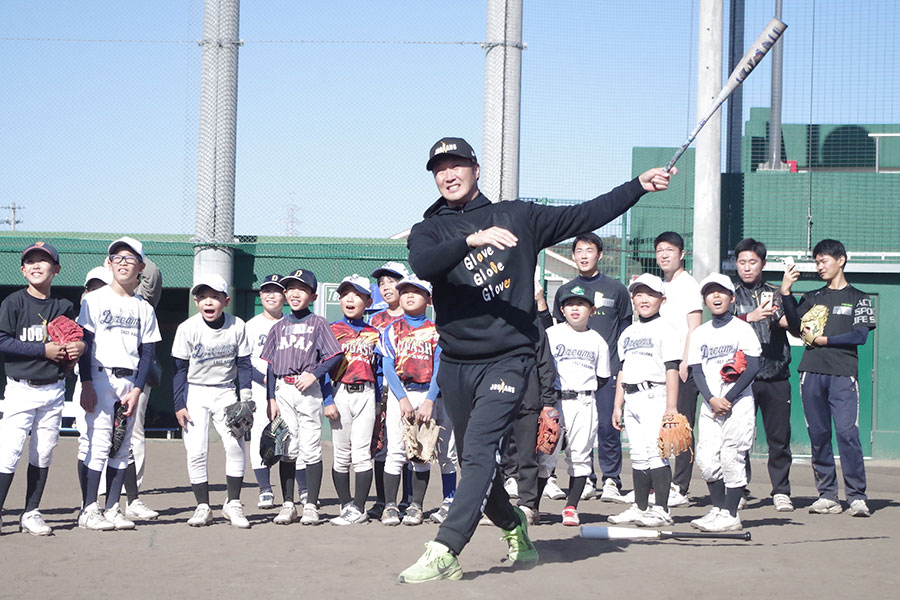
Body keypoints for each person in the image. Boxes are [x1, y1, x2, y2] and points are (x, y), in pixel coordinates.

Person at [399, 136, 675, 583]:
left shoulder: (518, 215)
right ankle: (515, 526)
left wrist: (637, 187)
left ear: (476, 168)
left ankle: (445, 548)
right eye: (439, 168)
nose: (448, 175)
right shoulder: (430, 229)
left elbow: (585, 214)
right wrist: (472, 239)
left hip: (509, 359)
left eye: (456, 165)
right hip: (455, 364)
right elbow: (425, 264)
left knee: (480, 454)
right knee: (476, 465)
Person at [780, 239, 876, 517]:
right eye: (817, 262)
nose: (819, 267)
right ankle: (827, 496)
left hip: (843, 375)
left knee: (847, 434)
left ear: (841, 260)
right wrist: (787, 292)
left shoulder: (860, 297)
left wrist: (823, 340)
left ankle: (857, 496)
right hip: (811, 373)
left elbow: (860, 336)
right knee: (819, 435)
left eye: (824, 261)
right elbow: (796, 327)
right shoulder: (812, 297)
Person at [0, 242, 85, 536]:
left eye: (44, 261)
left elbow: (76, 336)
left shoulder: (63, 306)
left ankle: (31, 511)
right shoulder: (13, 303)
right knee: (9, 451)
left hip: (53, 389)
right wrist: (42, 350)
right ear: (23, 269)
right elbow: (2, 341)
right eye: (31, 261)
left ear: (56, 269)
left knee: (44, 451)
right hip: (21, 388)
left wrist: (79, 345)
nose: (37, 265)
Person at [76, 237, 161, 531]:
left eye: (130, 258)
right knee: (99, 443)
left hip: (130, 380)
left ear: (141, 266)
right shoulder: (94, 300)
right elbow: (84, 343)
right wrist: (86, 382)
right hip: (100, 376)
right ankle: (89, 509)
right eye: (117, 257)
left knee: (122, 447)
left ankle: (112, 507)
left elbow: (148, 352)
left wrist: (137, 390)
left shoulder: (144, 308)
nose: (123, 262)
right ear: (109, 264)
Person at [552, 232, 632, 503]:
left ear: (600, 254)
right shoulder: (565, 290)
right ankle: (583, 480)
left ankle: (611, 480)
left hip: (607, 372)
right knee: (569, 432)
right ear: (573, 255)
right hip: (571, 377)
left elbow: (625, 331)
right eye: (578, 250)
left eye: (589, 250)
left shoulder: (617, 289)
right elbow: (557, 330)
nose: (584, 255)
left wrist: (620, 368)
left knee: (608, 428)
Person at [260, 268, 343, 526]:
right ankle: (288, 504)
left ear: (313, 295)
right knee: (287, 447)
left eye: (302, 289)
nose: (295, 293)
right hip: (284, 391)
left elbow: (335, 355)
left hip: (307, 390)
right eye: (291, 289)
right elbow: (271, 366)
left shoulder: (318, 323)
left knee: (310, 448)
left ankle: (310, 505)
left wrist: (315, 374)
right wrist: (270, 398)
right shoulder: (278, 327)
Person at [172, 274, 253, 528]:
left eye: (215, 297)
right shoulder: (188, 328)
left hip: (226, 391)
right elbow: (179, 370)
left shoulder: (237, 325)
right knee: (196, 450)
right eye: (203, 296)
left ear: (226, 300)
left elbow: (243, 363)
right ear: (196, 301)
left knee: (235, 445)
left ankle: (233, 503)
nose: (209, 301)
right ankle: (203, 506)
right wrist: (178, 404)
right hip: (195, 391)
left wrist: (247, 397)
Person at [687, 274, 761, 533]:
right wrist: (711, 399)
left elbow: (753, 366)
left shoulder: (742, 328)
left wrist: (727, 399)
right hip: (711, 405)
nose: (716, 297)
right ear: (705, 300)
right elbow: (696, 370)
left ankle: (731, 514)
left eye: (721, 292)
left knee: (732, 456)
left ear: (732, 298)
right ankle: (718, 509)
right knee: (706, 459)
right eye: (710, 293)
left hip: (737, 403)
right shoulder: (700, 333)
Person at [609, 274, 680, 526]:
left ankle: (661, 509)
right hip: (632, 396)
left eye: (650, 294)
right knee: (638, 455)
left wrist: (671, 408)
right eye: (638, 294)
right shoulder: (628, 332)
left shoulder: (667, 329)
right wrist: (618, 404)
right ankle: (640, 507)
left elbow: (672, 369)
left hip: (655, 394)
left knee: (656, 454)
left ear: (662, 299)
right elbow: (622, 370)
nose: (643, 299)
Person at [732, 238, 794, 512]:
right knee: (740, 439)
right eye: (742, 262)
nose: (747, 267)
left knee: (778, 439)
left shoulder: (776, 293)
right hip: (742, 379)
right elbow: (720, 324)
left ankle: (781, 491)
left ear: (763, 264)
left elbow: (789, 324)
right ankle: (740, 488)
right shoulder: (730, 294)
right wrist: (749, 318)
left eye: (752, 262)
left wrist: (787, 294)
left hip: (776, 376)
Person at [380, 275, 445, 527]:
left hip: (426, 394)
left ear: (428, 299)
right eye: (404, 290)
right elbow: (387, 366)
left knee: (421, 453)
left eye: (416, 292)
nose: (408, 295)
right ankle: (390, 506)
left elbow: (439, 366)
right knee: (395, 452)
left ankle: (416, 506)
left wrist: (429, 400)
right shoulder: (391, 329)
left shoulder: (436, 331)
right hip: (401, 394)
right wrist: (402, 399)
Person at [541, 287, 610, 526]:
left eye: (581, 304)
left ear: (592, 310)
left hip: (584, 401)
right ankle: (533, 506)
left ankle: (571, 506)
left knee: (580, 456)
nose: (575, 308)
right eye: (570, 304)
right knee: (545, 454)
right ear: (561, 309)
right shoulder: (551, 334)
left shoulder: (597, 341)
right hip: (555, 402)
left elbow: (602, 377)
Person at [325, 274, 381, 525]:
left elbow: (379, 370)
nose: (350, 298)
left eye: (357, 294)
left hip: (366, 394)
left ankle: (358, 508)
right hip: (340, 393)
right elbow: (322, 369)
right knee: (341, 453)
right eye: (346, 293)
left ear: (368, 301)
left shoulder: (374, 333)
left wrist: (379, 402)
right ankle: (346, 504)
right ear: (339, 299)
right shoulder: (331, 330)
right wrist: (328, 400)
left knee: (361, 453)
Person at [655, 231, 702, 507]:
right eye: (660, 250)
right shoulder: (661, 287)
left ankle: (680, 487)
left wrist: (686, 361)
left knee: (682, 425)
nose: (664, 255)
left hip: (683, 367)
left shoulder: (688, 285)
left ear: (682, 254)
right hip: (662, 367)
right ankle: (658, 482)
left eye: (669, 250)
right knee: (662, 423)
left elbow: (694, 327)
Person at [367, 261, 415, 519]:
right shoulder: (376, 319)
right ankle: (383, 499)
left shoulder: (414, 316)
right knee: (381, 443)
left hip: (408, 387)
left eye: (392, 281)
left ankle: (408, 499)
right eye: (382, 283)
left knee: (407, 442)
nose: (386, 287)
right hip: (380, 385)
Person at [245, 274, 285, 509]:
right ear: (260, 296)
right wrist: (262, 380)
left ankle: (298, 490)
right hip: (260, 388)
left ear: (284, 296)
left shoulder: (291, 323)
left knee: (290, 438)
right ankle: (265, 489)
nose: (271, 295)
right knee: (261, 437)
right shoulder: (251, 326)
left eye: (276, 290)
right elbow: (243, 360)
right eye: (266, 290)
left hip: (287, 387)